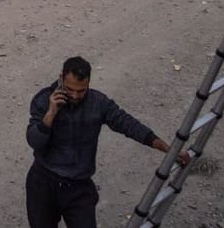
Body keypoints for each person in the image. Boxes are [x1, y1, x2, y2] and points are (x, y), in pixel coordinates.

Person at [25, 56, 190, 228]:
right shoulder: (44, 100)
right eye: (70, 89)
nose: (75, 95)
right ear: (61, 78)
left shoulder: (99, 103)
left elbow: (129, 125)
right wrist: (50, 114)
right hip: (43, 184)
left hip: (78, 188)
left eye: (81, 91)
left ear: (89, 83)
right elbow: (34, 142)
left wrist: (169, 150)